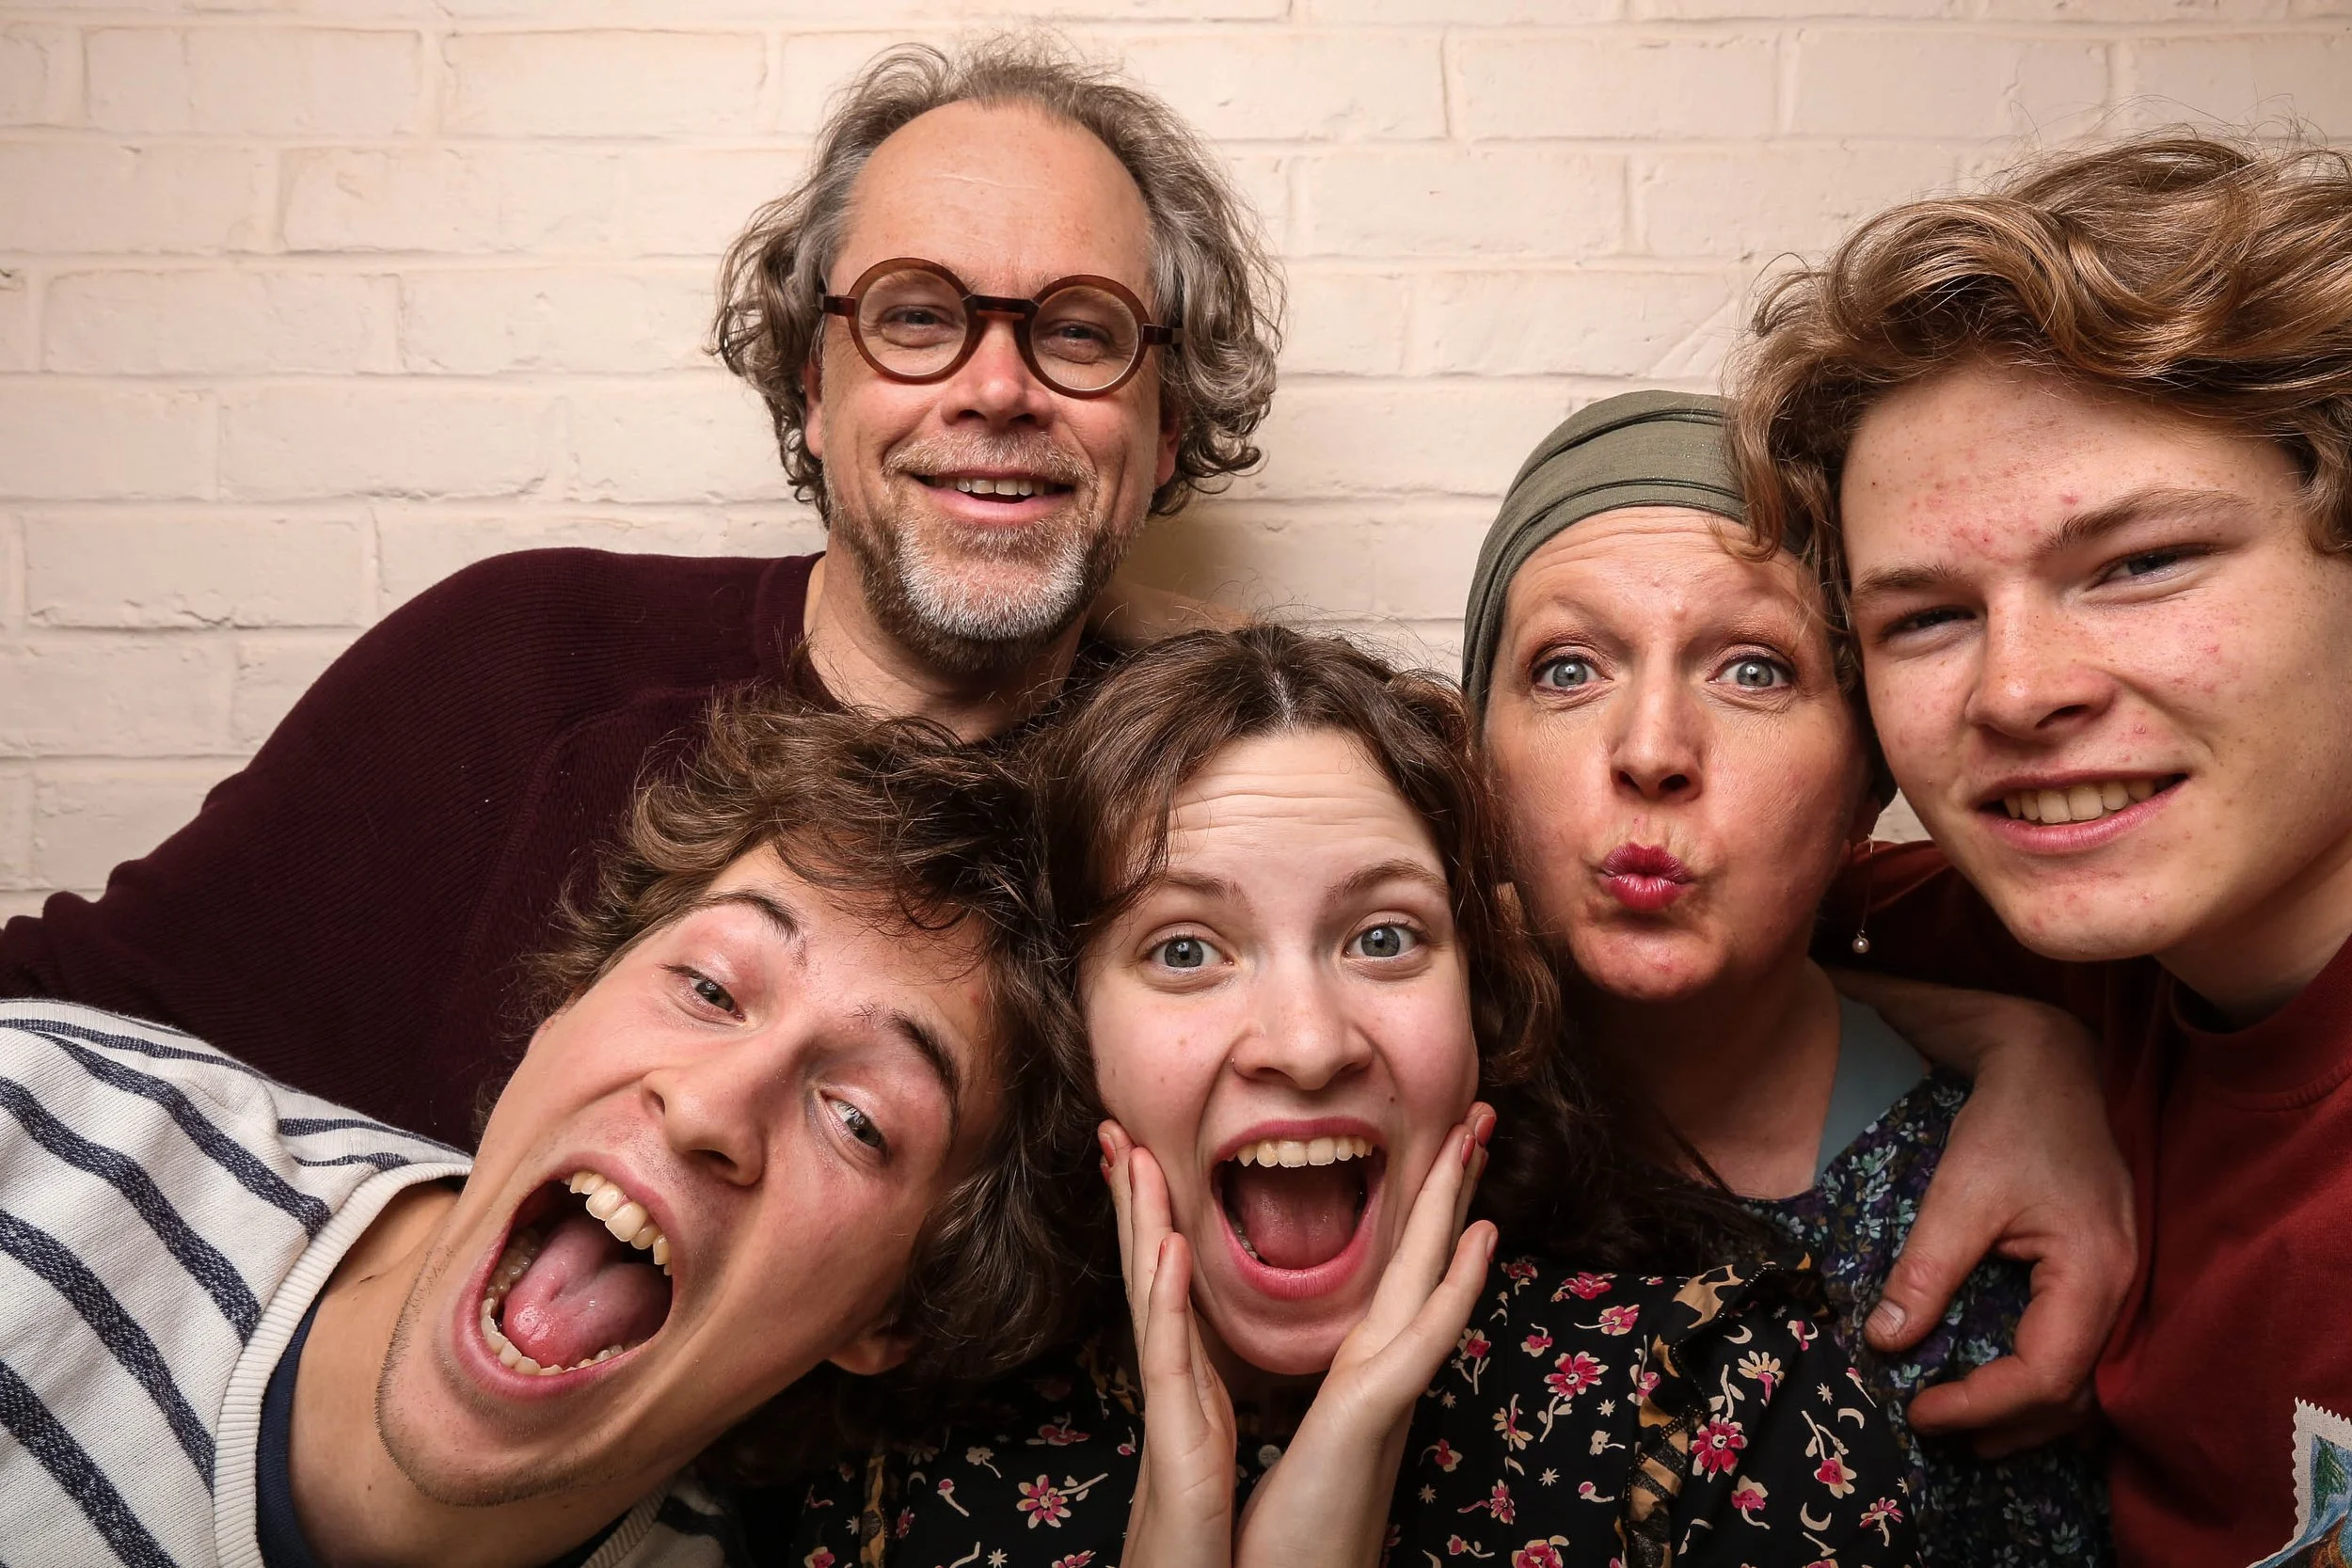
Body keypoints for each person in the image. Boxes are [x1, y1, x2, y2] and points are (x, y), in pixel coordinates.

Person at [0, 33, 1281, 1148]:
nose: (997, 388)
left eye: (1081, 331)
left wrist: (1253, 679)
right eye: (913, 316)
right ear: (812, 388)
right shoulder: (523, 668)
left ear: (1166, 424)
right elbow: (66, 1019)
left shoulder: (1236, 795)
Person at [790, 626, 1918, 1567]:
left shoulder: (1735, 1413)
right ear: (1071, 1029)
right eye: (1185, 949)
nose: (1306, 1043)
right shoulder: (904, 1474)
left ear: (1480, 1003)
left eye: (1383, 937)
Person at [0, 695, 1090, 1567]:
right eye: (710, 986)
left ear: (896, 1310)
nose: (708, 1109)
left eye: (858, 1118)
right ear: (563, 1005)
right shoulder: (36, 1124)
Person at [1730, 132, 2352, 1567]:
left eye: (2140, 563)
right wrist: (2029, 1042)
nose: (2016, 692)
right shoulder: (2055, 929)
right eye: (1928, 617)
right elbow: (1607, 923)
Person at [1460, 390, 2110, 1563]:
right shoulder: (1380, 1144)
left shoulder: (2000, 1221)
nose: (1651, 749)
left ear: (1870, 771)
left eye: (1753, 670)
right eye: (1567, 668)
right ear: (1476, 757)